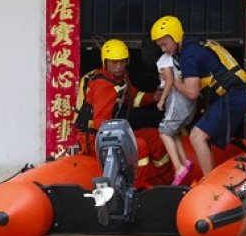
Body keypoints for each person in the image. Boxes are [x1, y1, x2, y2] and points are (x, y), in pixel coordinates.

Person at [151, 15, 246, 176]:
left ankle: (208, 183)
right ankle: (210, 177)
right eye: (159, 46)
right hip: (235, 95)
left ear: (175, 36)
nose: (163, 49)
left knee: (197, 136)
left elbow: (192, 93)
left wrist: (172, 81)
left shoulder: (189, 56)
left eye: (164, 43)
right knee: (203, 137)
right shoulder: (195, 45)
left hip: (231, 97)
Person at [74, 39, 173, 188]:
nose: (119, 67)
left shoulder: (120, 78)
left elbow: (132, 98)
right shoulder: (103, 85)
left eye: (122, 62)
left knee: (155, 138)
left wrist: (153, 97)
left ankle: (164, 183)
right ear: (105, 62)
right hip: (95, 140)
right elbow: (101, 123)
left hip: (114, 135)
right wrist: (124, 137)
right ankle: (136, 190)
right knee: (139, 146)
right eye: (114, 63)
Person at [155, 52, 196, 185]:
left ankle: (178, 168)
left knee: (164, 131)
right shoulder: (178, 58)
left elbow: (169, 81)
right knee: (174, 132)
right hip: (188, 103)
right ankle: (185, 161)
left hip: (177, 99)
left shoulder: (163, 60)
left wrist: (161, 101)